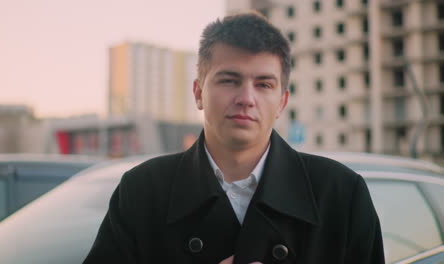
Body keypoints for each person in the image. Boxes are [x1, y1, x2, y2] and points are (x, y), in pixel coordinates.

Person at [84, 11, 385, 264]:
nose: (246, 98)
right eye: (229, 80)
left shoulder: (341, 193)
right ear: (199, 93)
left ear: (282, 102)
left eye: (264, 84)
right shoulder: (141, 191)